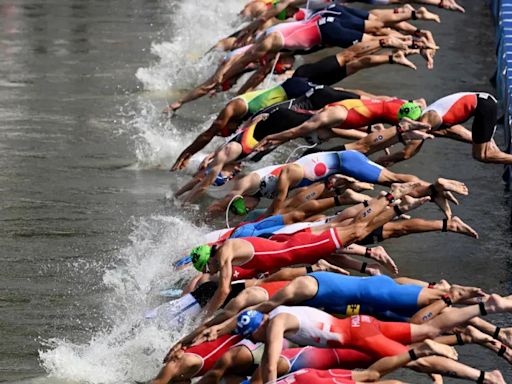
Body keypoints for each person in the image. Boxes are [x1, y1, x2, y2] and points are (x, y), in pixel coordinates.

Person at [187, 182, 440, 314]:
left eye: (208, 266)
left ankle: (391, 197)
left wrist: (204, 318)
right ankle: (396, 205)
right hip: (298, 246)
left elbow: (223, 291)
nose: (212, 269)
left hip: (300, 245)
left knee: (358, 229)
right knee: (355, 228)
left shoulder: (227, 252)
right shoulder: (230, 249)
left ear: (209, 258)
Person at [233, 294, 512, 383]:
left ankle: (487, 378)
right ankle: (489, 307)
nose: (259, 340)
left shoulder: (275, 325)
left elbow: (269, 366)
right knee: (428, 329)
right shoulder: (280, 311)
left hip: (356, 335)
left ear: (258, 328)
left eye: (254, 336)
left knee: (412, 361)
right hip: (361, 323)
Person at [377, 93, 512, 166]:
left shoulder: (427, 120)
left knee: (482, 155)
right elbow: (458, 134)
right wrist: (485, 140)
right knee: (484, 149)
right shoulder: (433, 117)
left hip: (483, 107)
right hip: (484, 101)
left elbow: (407, 153)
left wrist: (382, 161)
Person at [254, 99, 426, 151]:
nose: (321, 140)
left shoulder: (326, 118)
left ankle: (411, 126)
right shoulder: (333, 109)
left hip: (393, 115)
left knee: (409, 136)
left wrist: (271, 138)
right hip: (395, 106)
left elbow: (295, 132)